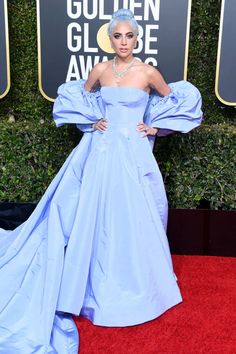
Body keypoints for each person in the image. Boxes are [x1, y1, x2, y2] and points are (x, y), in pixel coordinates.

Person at [0, 8, 202, 354]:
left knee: (138, 218)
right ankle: (89, 286)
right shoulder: (99, 70)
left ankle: (142, 286)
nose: (123, 42)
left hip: (134, 154)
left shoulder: (148, 72)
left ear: (137, 39)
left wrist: (155, 127)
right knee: (96, 216)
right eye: (117, 36)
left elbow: (177, 102)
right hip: (100, 152)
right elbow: (79, 95)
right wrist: (92, 120)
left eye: (129, 36)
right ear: (110, 39)